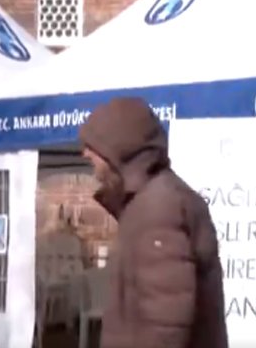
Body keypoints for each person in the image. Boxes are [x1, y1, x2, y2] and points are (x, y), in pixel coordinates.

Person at [77, 97, 228, 348]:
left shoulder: (158, 208)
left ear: (118, 149)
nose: (85, 153)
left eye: (93, 146)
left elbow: (165, 324)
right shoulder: (150, 201)